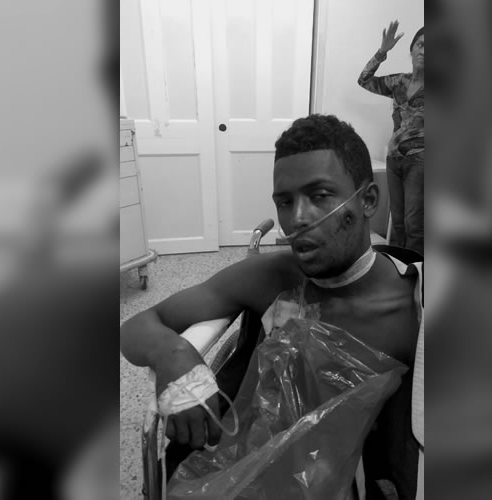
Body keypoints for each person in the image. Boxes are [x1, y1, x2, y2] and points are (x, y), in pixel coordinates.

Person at [120, 114, 422, 499]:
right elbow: (136, 327)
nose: (297, 219)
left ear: (367, 200)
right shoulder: (273, 278)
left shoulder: (414, 307)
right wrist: (175, 356)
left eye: (320, 196)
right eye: (285, 201)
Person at [358, 21, 424, 257]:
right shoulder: (398, 81)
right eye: (420, 45)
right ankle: (397, 267)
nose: (424, 51)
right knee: (397, 222)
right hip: (394, 159)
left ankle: (417, 270)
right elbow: (364, 80)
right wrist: (382, 51)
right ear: (412, 49)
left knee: (414, 223)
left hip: (421, 162)